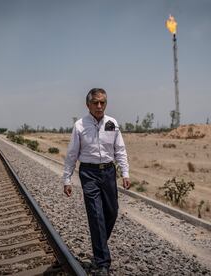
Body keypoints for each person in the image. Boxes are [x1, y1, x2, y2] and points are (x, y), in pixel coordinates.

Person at [63, 88, 131, 276]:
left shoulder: (112, 123)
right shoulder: (79, 125)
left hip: (109, 172)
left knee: (112, 212)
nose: (99, 106)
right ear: (88, 105)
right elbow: (71, 154)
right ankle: (102, 263)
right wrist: (67, 179)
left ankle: (99, 243)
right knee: (96, 215)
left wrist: (125, 173)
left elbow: (120, 150)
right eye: (95, 102)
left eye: (103, 102)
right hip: (89, 174)